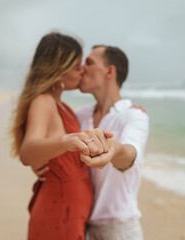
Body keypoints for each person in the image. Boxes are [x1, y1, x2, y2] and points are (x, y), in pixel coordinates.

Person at [35, 45, 149, 239]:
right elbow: (48, 137)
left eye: (89, 62)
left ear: (110, 72)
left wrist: (115, 150)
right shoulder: (80, 115)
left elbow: (131, 155)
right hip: (82, 224)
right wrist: (40, 162)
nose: (82, 68)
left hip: (119, 228)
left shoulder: (134, 116)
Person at [10, 33, 114, 240]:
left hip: (69, 211)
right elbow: (27, 151)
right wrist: (66, 141)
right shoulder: (43, 101)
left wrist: (131, 111)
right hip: (58, 212)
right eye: (76, 66)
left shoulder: (61, 105)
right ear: (58, 71)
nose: (82, 70)